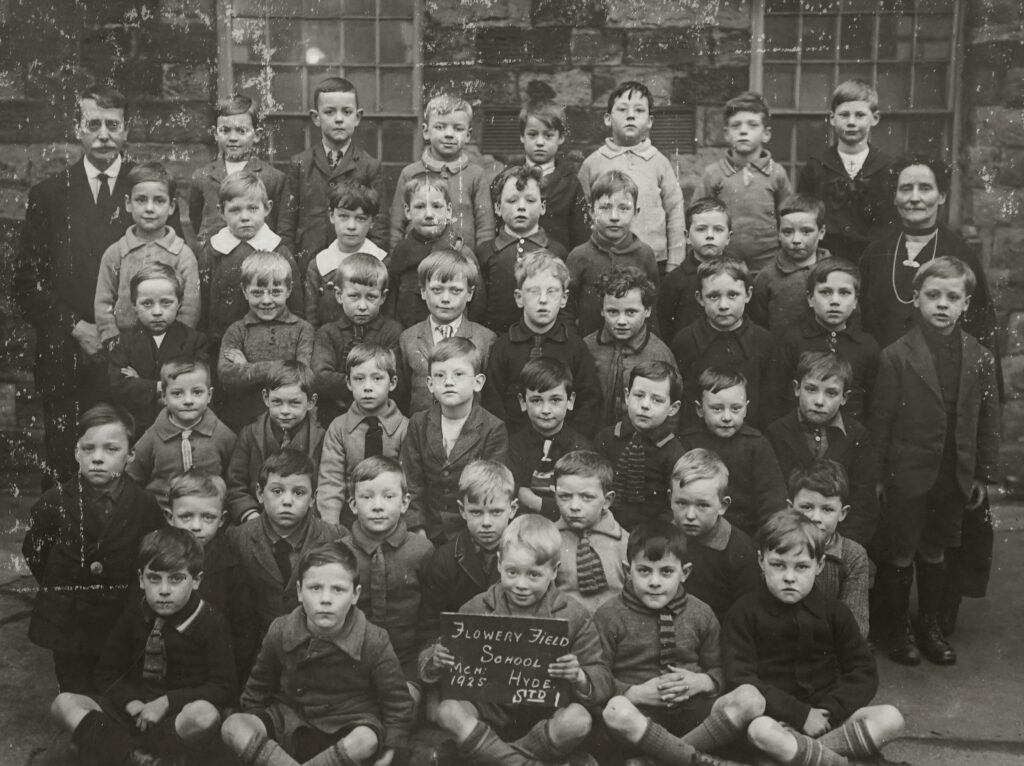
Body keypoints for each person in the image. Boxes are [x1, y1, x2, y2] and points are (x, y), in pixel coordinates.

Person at [14, 84, 183, 484]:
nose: (104, 134)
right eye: (94, 124)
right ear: (78, 129)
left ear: (126, 130)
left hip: (135, 354)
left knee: (135, 458)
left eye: (113, 125)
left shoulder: (147, 191)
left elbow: (172, 271)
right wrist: (76, 326)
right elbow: (25, 282)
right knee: (67, 457)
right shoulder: (49, 195)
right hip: (68, 350)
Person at [869, 257, 1000, 667]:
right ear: (916, 298)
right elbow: (880, 421)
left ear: (965, 304)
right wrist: (877, 476)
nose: (942, 305)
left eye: (952, 297)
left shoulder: (979, 356)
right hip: (907, 473)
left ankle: (930, 625)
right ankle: (899, 630)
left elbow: (989, 417)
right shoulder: (897, 355)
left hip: (952, 470)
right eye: (933, 296)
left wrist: (982, 473)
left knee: (936, 547)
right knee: (901, 549)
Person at [422, 515, 615, 766]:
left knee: (579, 719)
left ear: (554, 571)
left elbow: (601, 675)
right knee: (448, 711)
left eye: (534, 575)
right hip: (486, 716)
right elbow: (439, 661)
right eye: (512, 572)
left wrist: (578, 675)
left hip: (545, 719)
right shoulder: (477, 607)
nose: (521, 584)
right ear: (500, 564)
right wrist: (435, 660)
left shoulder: (573, 614)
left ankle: (488, 758)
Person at [724, 511, 905, 766]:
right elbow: (740, 676)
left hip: (828, 721)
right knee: (760, 731)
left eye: (801, 567)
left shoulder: (835, 613)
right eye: (778, 564)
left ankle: (805, 755)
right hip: (777, 720)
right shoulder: (744, 612)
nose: (789, 577)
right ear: (761, 561)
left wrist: (827, 713)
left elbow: (862, 671)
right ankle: (835, 761)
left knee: (891, 718)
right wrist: (799, 715)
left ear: (819, 565)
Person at [49, 528, 235, 765]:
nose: (164, 590)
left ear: (196, 580)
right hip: (132, 715)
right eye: (154, 578)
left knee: (204, 715)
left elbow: (224, 686)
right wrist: (132, 703)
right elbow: (106, 671)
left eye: (176, 579)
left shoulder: (211, 621)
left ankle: (144, 753)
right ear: (140, 578)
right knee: (63, 704)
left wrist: (166, 703)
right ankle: (132, 758)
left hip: (176, 719)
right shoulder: (135, 613)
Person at [221, 541, 414, 766]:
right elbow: (257, 691)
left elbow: (398, 705)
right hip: (291, 721)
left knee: (367, 739)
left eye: (338, 589)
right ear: (299, 592)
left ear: (355, 595)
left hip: (346, 726)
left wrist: (390, 751)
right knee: (233, 726)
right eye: (315, 588)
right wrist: (259, 740)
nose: (325, 599)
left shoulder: (373, 640)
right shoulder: (281, 630)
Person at [596, 521, 766, 765]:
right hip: (641, 717)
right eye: (644, 571)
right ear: (627, 570)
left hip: (695, 715)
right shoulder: (609, 616)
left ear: (684, 573)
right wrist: (635, 693)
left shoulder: (700, 613)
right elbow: (597, 677)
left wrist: (703, 681)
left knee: (751, 699)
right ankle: (695, 760)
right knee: (616, 710)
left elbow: (721, 668)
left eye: (666, 572)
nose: (655, 582)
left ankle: (659, 760)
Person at [22, 403, 164, 694]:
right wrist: (64, 585)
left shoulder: (145, 505)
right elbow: (36, 552)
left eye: (111, 449)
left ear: (131, 455)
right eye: (89, 449)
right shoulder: (54, 502)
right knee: (74, 688)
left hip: (120, 616)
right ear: (76, 452)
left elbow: (152, 556)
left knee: (116, 688)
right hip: (68, 620)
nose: (97, 458)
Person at [859, 156, 1001, 378]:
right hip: (881, 377)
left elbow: (982, 328)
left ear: (941, 196)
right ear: (895, 198)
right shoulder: (874, 254)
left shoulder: (961, 254)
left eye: (925, 188)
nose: (914, 198)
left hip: (942, 379)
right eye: (906, 189)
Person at [223, 449, 349, 636]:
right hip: (258, 644)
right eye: (277, 491)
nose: (287, 501)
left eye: (298, 493)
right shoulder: (237, 539)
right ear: (259, 492)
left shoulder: (334, 537)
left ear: (313, 498)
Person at [481, 250, 603, 437]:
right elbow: (493, 401)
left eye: (552, 291)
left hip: (565, 444)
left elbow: (589, 401)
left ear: (564, 298)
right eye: (534, 291)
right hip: (515, 445)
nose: (543, 300)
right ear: (519, 298)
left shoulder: (575, 347)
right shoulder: (504, 346)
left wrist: (569, 441)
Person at [346, 456, 434, 712]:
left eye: (388, 496)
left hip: (405, 659)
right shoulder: (341, 554)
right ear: (352, 504)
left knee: (401, 709)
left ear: (405, 502)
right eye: (366, 497)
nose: (377, 506)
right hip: (354, 659)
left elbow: (431, 614)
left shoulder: (422, 551)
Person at [401, 337, 509, 544]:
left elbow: (490, 490)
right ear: (430, 384)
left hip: (472, 533)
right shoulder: (418, 423)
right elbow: (412, 482)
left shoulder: (492, 428)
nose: (448, 382)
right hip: (427, 531)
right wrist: (418, 530)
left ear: (478, 382)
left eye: (458, 374)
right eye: (440, 376)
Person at [766, 352, 879, 548]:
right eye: (811, 389)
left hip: (840, 544)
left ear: (844, 398)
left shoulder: (857, 436)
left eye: (831, 393)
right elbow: (771, 499)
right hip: (787, 542)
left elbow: (864, 505)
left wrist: (842, 549)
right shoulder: (777, 433)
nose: (819, 401)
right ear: (796, 389)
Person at [279, 76, 388, 269]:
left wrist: (371, 267)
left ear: (357, 117)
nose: (339, 119)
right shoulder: (300, 163)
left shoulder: (369, 166)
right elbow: (287, 224)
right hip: (308, 261)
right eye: (329, 112)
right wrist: (290, 266)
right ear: (316, 117)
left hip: (355, 264)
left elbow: (379, 226)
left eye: (347, 112)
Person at [578, 80, 686, 273]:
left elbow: (675, 212)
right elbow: (582, 214)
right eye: (622, 110)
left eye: (638, 110)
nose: (630, 116)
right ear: (607, 119)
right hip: (604, 258)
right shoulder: (593, 163)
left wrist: (675, 262)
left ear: (650, 121)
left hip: (653, 261)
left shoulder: (659, 162)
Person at [94, 161, 200, 345]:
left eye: (159, 201)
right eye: (141, 200)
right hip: (124, 343)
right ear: (128, 203)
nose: (149, 208)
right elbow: (104, 301)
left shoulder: (182, 254)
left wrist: (177, 342)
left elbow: (190, 307)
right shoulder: (116, 252)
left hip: (170, 344)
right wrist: (112, 339)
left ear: (172, 206)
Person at [167, 470, 259, 683]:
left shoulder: (232, 569)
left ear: (222, 520)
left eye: (207, 517)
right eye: (186, 516)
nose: (196, 526)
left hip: (214, 673)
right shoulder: (157, 558)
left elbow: (244, 634)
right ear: (170, 517)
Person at [417, 460, 517, 650]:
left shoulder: (526, 556)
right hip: (462, 657)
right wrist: (434, 653)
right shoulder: (445, 559)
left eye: (496, 512)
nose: (486, 522)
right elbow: (429, 627)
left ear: (512, 509)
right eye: (476, 512)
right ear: (462, 511)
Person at [765, 258, 879, 424]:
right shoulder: (793, 340)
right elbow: (775, 398)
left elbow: (873, 404)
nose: (834, 301)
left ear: (855, 301)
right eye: (825, 292)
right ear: (810, 298)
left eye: (844, 293)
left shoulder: (866, 346)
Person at [678, 368, 788, 538]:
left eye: (735, 408)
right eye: (717, 409)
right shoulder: (689, 442)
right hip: (694, 528)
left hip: (745, 534)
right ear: (699, 409)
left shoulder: (756, 445)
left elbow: (772, 501)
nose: (727, 417)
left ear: (746, 409)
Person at [199, 171, 303, 349]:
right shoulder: (213, 252)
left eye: (253, 209)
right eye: (235, 210)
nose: (245, 217)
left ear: (267, 208)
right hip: (222, 342)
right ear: (221, 212)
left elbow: (296, 303)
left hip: (271, 343)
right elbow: (203, 303)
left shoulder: (279, 251)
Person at [694, 91, 793, 276]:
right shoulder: (713, 173)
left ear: (766, 134)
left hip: (769, 263)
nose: (743, 131)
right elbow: (697, 217)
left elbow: (788, 218)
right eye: (736, 125)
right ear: (726, 134)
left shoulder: (777, 173)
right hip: (723, 262)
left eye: (752, 125)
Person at [797, 78, 896, 264]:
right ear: (832, 118)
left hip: (874, 259)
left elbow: (892, 222)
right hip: (826, 259)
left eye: (859, 115)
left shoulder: (887, 167)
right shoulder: (816, 166)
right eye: (844, 115)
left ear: (874, 118)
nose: (851, 122)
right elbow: (802, 216)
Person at [218, 251, 315, 431]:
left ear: (289, 290)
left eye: (275, 292)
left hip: (294, 421)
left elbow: (301, 375)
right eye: (257, 293)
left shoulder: (302, 329)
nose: (266, 300)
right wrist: (282, 366)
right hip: (246, 421)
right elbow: (227, 376)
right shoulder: (237, 330)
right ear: (245, 292)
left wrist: (247, 368)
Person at [670, 257, 772, 429]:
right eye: (713, 296)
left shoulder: (763, 341)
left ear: (748, 294)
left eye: (732, 295)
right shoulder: (685, 341)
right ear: (700, 298)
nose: (723, 305)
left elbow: (770, 402)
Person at [108, 262, 208, 434]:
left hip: (181, 428)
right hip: (135, 428)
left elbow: (196, 386)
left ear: (179, 303)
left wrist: (141, 384)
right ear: (134, 305)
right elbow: (118, 387)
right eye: (147, 303)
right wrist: (164, 387)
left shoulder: (195, 341)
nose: (156, 311)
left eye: (166, 303)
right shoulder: (122, 343)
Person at [128, 357, 236, 512]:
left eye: (197, 392)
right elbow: (132, 477)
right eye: (177, 394)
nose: (188, 401)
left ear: (210, 395)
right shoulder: (152, 437)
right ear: (164, 396)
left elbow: (234, 479)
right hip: (162, 515)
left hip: (208, 513)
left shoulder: (223, 435)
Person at [318, 344, 409, 526]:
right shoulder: (339, 428)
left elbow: (409, 484)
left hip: (393, 519)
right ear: (349, 383)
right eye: (359, 379)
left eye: (377, 378)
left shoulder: (405, 428)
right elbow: (331, 481)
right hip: (348, 520)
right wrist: (332, 527)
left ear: (392, 383)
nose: (367, 387)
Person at [389, 93, 495, 250]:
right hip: (417, 260)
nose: (449, 134)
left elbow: (485, 227)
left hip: (462, 262)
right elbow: (397, 225)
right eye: (440, 127)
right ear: (426, 131)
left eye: (458, 128)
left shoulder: (476, 175)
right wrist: (396, 257)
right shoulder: (409, 173)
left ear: (468, 135)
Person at [226, 361, 325, 524]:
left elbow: (324, 488)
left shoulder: (320, 438)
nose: (285, 411)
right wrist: (250, 515)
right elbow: (235, 484)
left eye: (294, 403)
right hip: (257, 517)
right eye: (277, 402)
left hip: (304, 520)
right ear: (266, 398)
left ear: (311, 402)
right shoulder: (250, 434)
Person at [565, 169, 660, 338]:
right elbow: (567, 311)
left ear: (636, 213)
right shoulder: (578, 256)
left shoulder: (645, 254)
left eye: (624, 208)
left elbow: (652, 310)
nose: (614, 217)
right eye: (605, 208)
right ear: (591, 211)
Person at [399, 250, 496, 414]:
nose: (445, 298)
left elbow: (489, 397)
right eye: (437, 290)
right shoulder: (408, 338)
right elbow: (405, 392)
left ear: (470, 294)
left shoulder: (485, 339)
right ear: (423, 292)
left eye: (455, 291)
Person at [669, 448, 759, 623]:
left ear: (723, 506)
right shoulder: (662, 538)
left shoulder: (740, 550)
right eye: (681, 503)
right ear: (670, 498)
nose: (690, 515)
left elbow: (746, 612)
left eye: (702, 505)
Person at [312, 253, 403, 425]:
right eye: (354, 296)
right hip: (335, 420)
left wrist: (343, 388)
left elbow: (395, 382)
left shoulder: (392, 332)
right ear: (339, 295)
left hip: (381, 421)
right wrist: (372, 382)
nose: (362, 306)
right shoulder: (328, 333)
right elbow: (320, 379)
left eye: (371, 297)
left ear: (383, 297)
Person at [594, 361, 684, 531]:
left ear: (673, 408)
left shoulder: (674, 453)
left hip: (651, 533)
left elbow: (674, 505)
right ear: (627, 397)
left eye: (656, 400)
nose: (645, 405)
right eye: (639, 395)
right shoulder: (606, 438)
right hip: (602, 524)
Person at [477, 164, 568, 333]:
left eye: (530, 200)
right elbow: (479, 307)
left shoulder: (556, 251)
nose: (521, 207)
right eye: (512, 200)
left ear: (542, 207)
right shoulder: (486, 251)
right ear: (497, 208)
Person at [584, 265, 677, 428]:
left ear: (647, 310)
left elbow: (672, 410)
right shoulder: (586, 348)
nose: (621, 321)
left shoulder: (659, 354)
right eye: (613, 312)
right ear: (601, 310)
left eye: (631, 312)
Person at [189, 94, 288, 247]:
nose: (233, 137)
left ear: (257, 135)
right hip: (214, 255)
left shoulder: (273, 178)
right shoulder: (202, 176)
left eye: (241, 131)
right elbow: (196, 218)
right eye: (225, 130)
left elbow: (279, 224)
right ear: (215, 134)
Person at [385, 176, 483, 328]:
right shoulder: (401, 252)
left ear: (449, 210)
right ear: (407, 211)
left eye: (437, 206)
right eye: (420, 207)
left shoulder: (462, 253)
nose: (429, 214)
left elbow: (478, 305)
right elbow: (391, 304)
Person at [788, 461, 870, 638]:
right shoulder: (776, 549)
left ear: (842, 513)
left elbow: (856, 626)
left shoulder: (853, 556)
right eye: (807, 507)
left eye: (827, 509)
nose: (815, 518)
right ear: (790, 507)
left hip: (834, 648)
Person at [508, 358, 592, 521]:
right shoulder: (514, 445)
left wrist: (534, 501)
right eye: (536, 400)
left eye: (555, 400)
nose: (546, 410)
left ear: (570, 401)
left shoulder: (581, 448)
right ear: (523, 402)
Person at [506, 99, 589, 252]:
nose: (539, 142)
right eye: (532, 134)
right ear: (522, 137)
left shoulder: (570, 183)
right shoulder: (507, 180)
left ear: (561, 138)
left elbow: (580, 234)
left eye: (548, 136)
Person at [552, 450, 629, 612]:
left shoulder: (627, 543)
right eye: (564, 496)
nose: (574, 506)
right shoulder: (548, 541)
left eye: (587, 497)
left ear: (607, 500)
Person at [305, 181, 388, 329]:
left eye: (360, 218)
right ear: (331, 216)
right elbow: (312, 317)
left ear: (372, 221)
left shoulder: (383, 262)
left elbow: (387, 319)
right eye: (343, 216)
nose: (351, 226)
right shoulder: (319, 264)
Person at [750, 193, 831, 331]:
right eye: (787, 232)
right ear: (778, 234)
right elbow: (758, 324)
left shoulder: (836, 272)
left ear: (821, 232)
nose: (796, 240)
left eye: (806, 232)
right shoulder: (766, 277)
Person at [656, 197, 732, 342]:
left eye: (718, 229)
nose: (710, 235)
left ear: (728, 237)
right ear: (687, 236)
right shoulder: (675, 280)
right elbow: (665, 325)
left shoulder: (737, 274)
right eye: (701, 229)